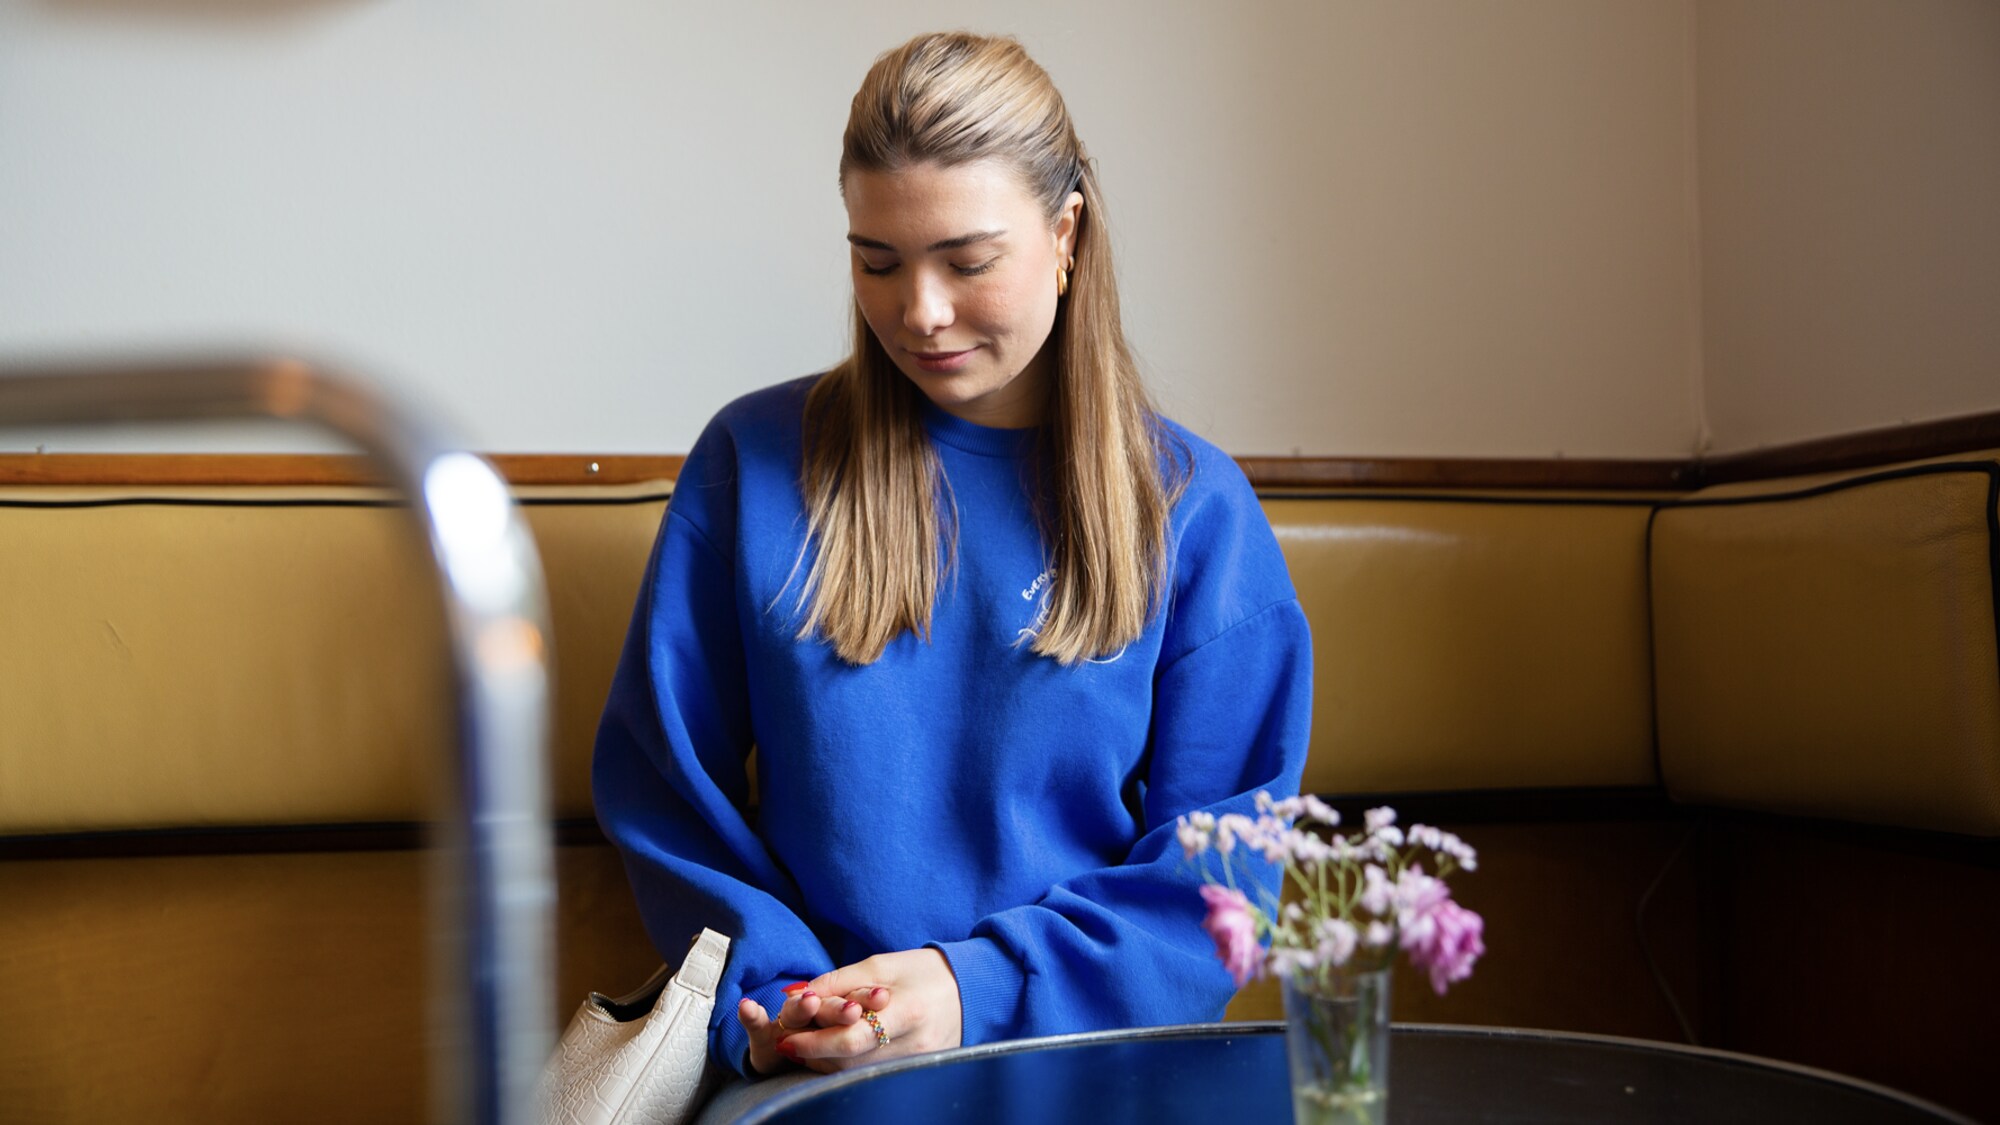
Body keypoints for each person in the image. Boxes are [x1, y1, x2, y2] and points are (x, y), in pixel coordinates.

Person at [592, 30, 1312, 1085]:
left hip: (1088, 1065)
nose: (917, 312)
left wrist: (969, 988)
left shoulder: (1195, 514)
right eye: (875, 261)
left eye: (967, 262)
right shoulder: (748, 466)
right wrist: (787, 999)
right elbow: (665, 795)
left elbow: (1218, 882)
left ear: (1065, 234)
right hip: (811, 1072)